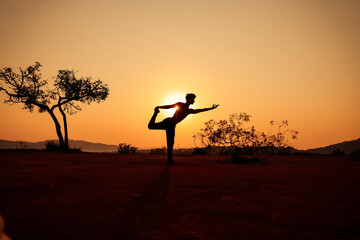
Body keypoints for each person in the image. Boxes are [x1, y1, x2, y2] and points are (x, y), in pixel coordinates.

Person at [148, 93, 219, 164]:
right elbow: (170, 106)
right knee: (150, 126)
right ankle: (155, 113)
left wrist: (211, 108)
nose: (194, 101)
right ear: (189, 99)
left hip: (172, 126)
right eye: (193, 99)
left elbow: (199, 110)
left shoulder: (189, 110)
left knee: (170, 143)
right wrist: (159, 107)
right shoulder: (180, 104)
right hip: (168, 123)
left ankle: (169, 161)